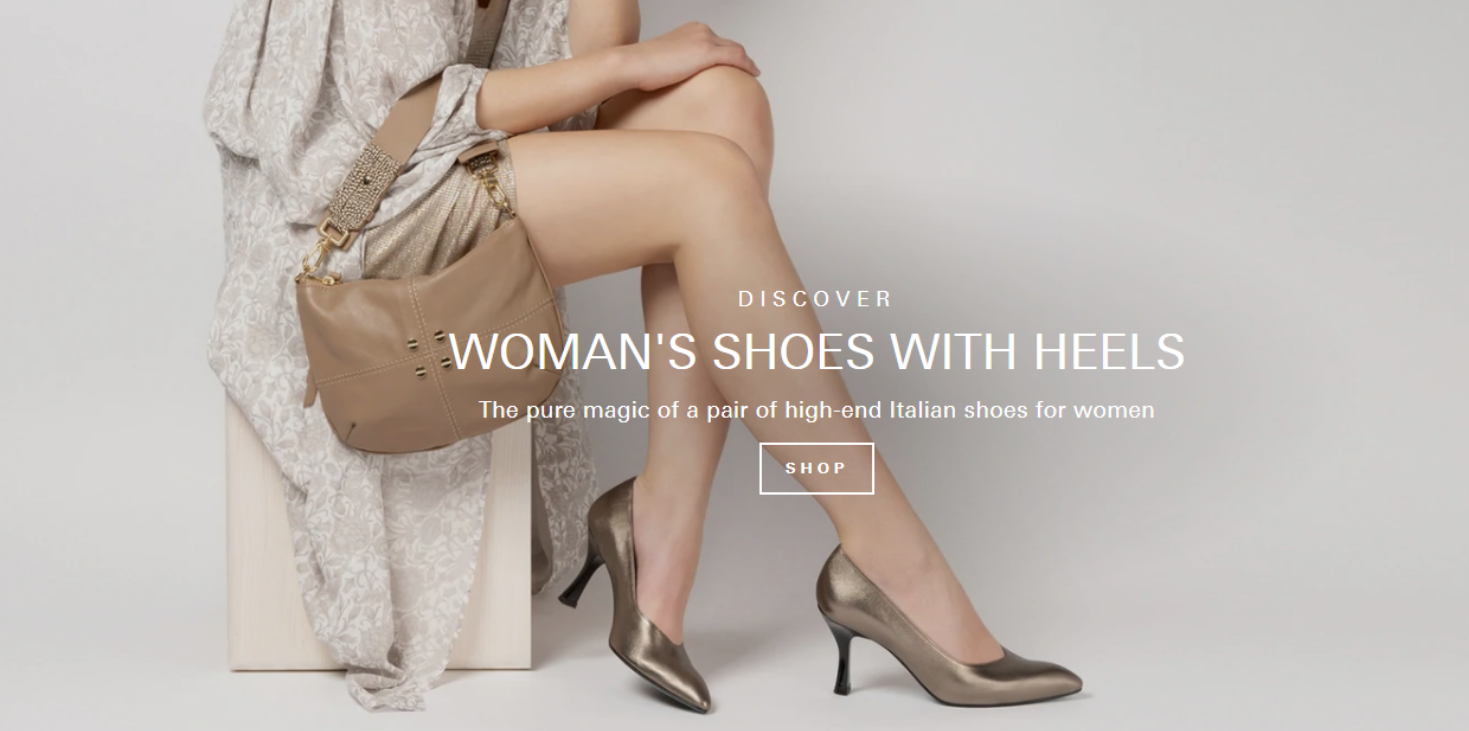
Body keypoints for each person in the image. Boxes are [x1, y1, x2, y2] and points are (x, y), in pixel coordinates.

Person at [205, 0, 1079, 712]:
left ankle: (659, 528)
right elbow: (400, 116)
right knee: (708, 186)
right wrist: (630, 65)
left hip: (450, 159)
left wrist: (627, 63)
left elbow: (589, 75)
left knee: (724, 103)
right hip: (358, 201)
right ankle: (888, 554)